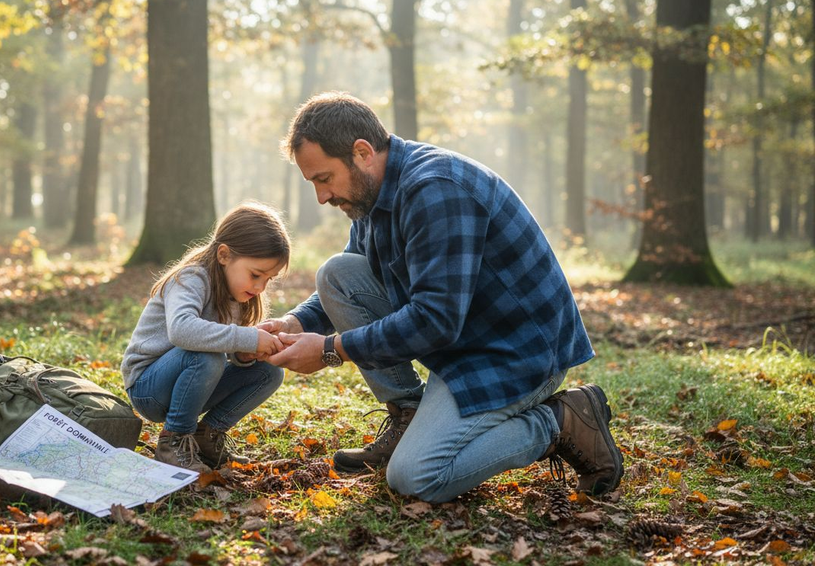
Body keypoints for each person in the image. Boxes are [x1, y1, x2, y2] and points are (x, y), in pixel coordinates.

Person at [263, 92, 623, 503]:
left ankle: (559, 423)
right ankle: (409, 414)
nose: (322, 197)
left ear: (361, 152)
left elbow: (434, 319)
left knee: (416, 478)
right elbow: (353, 274)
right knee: (336, 273)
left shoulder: (435, 189)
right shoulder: (372, 195)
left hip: (515, 355)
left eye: (324, 179)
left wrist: (330, 350)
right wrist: (296, 324)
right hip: (461, 343)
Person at [121, 202, 289, 473]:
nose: (260, 287)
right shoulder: (191, 278)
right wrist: (246, 338)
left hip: (193, 380)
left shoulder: (237, 293)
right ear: (224, 255)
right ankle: (173, 441)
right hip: (149, 388)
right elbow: (183, 331)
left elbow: (224, 343)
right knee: (206, 356)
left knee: (269, 372)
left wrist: (244, 355)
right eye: (256, 275)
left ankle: (206, 438)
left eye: (268, 279)